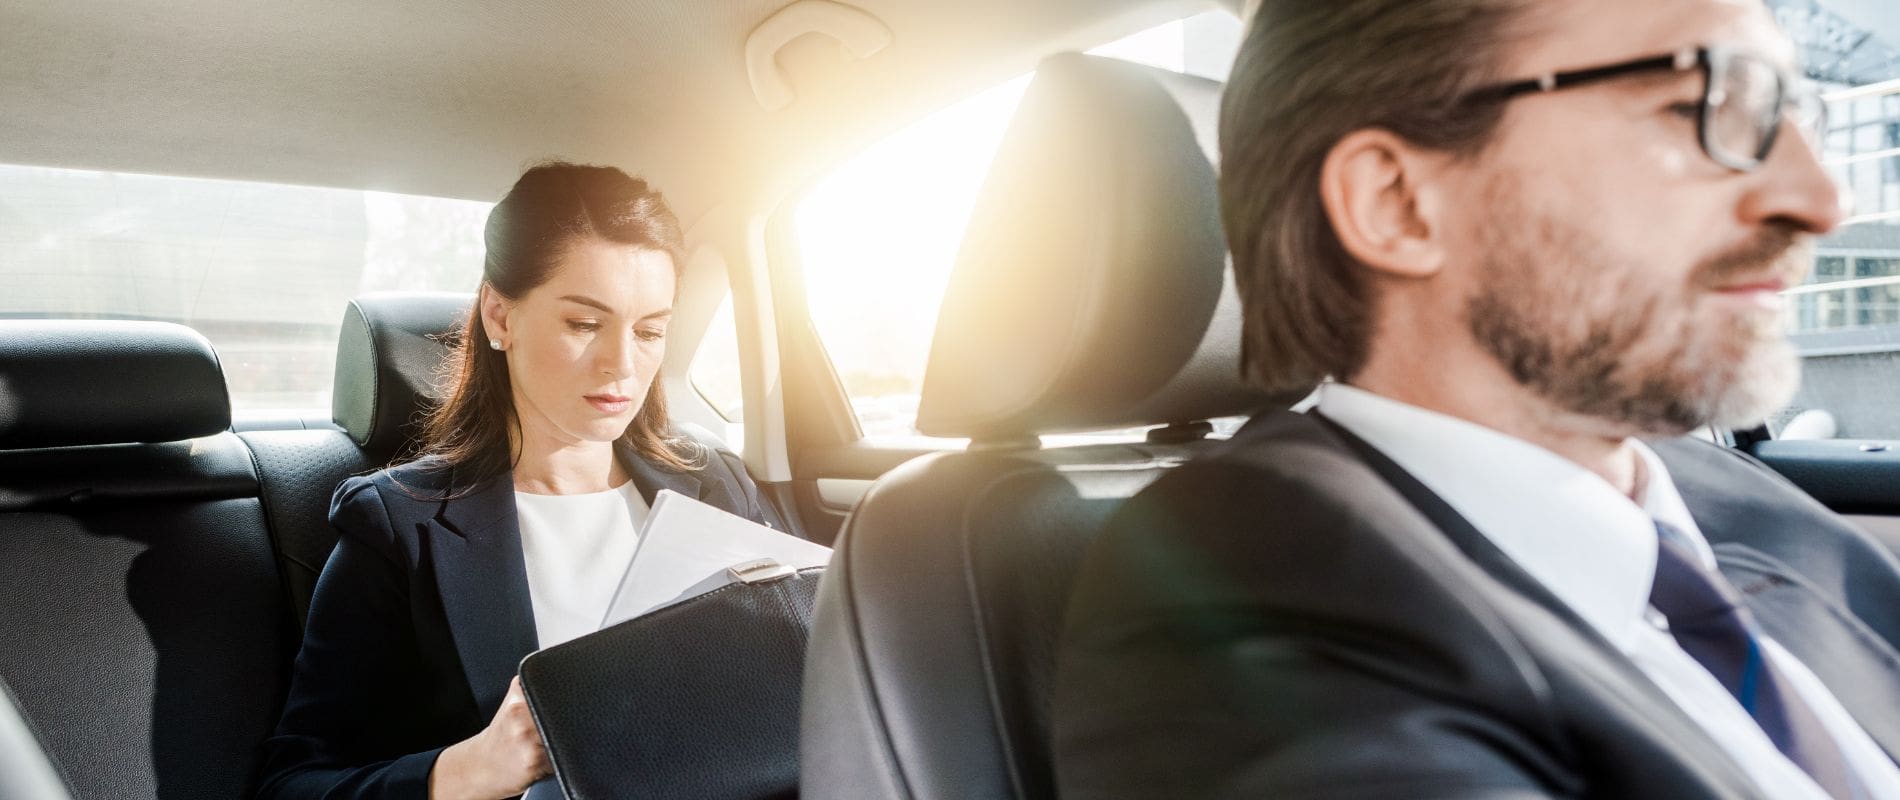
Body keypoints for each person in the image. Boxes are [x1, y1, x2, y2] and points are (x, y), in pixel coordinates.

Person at [1052, 0, 1900, 798]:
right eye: (1703, 104)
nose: (1823, 200)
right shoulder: (1252, 602)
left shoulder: (1735, 502)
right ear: (1399, 206)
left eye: (1795, 113)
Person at [257, 162, 786, 800]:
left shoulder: (718, 486)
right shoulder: (399, 529)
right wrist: (467, 770)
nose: (623, 362)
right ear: (500, 318)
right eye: (585, 324)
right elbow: (292, 786)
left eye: (650, 331)